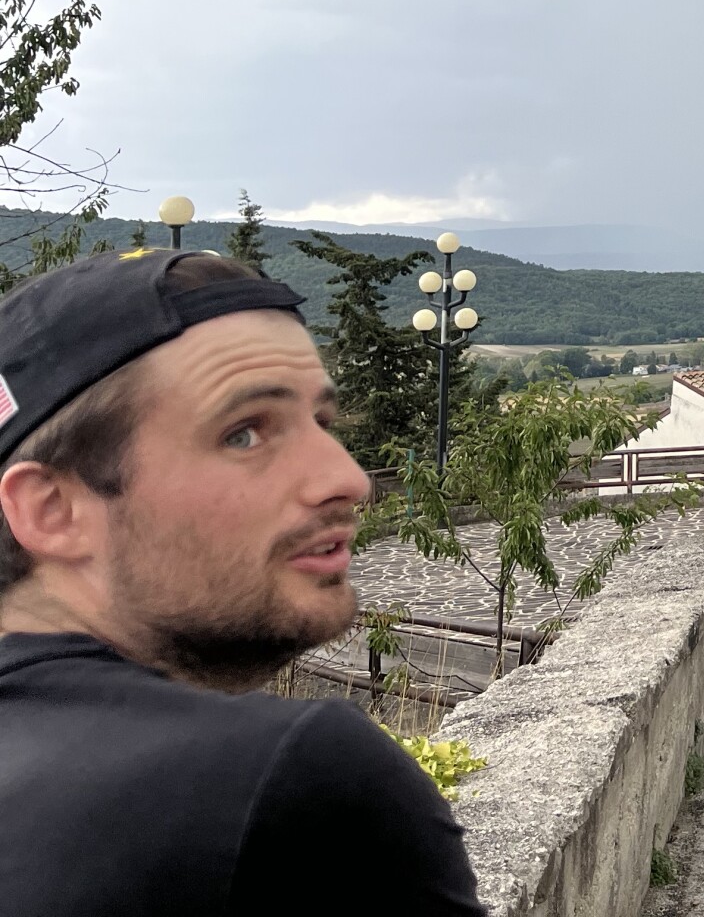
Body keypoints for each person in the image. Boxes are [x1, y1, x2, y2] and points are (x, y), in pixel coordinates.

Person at [0, 247, 485, 914]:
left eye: (322, 423)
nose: (348, 479)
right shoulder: (292, 778)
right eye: (244, 435)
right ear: (52, 510)